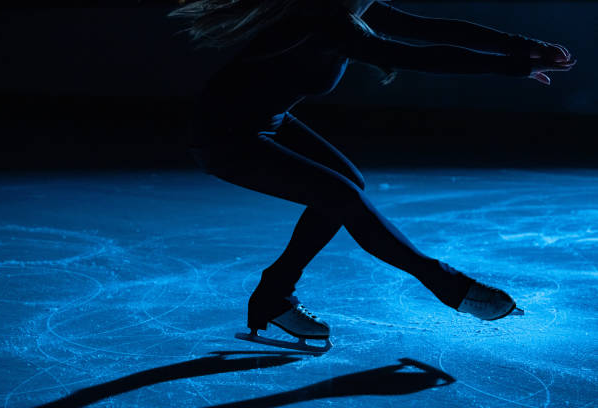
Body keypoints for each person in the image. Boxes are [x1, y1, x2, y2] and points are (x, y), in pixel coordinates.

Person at [169, 0, 575, 350]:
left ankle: (274, 294)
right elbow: (417, 57)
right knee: (340, 195)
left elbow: (433, 30)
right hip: (223, 135)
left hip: (267, 121)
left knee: (345, 188)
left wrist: (526, 49)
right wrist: (514, 67)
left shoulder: (358, 9)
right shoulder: (327, 19)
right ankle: (447, 285)